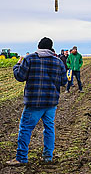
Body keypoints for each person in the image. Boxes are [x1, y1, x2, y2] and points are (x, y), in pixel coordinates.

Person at [7, 37, 68, 165]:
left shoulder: (30, 59)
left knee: (25, 129)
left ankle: (21, 158)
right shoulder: (58, 62)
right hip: (51, 103)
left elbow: (20, 76)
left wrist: (17, 65)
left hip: (34, 102)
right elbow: (64, 81)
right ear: (51, 48)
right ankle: (48, 157)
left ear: (39, 46)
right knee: (49, 129)